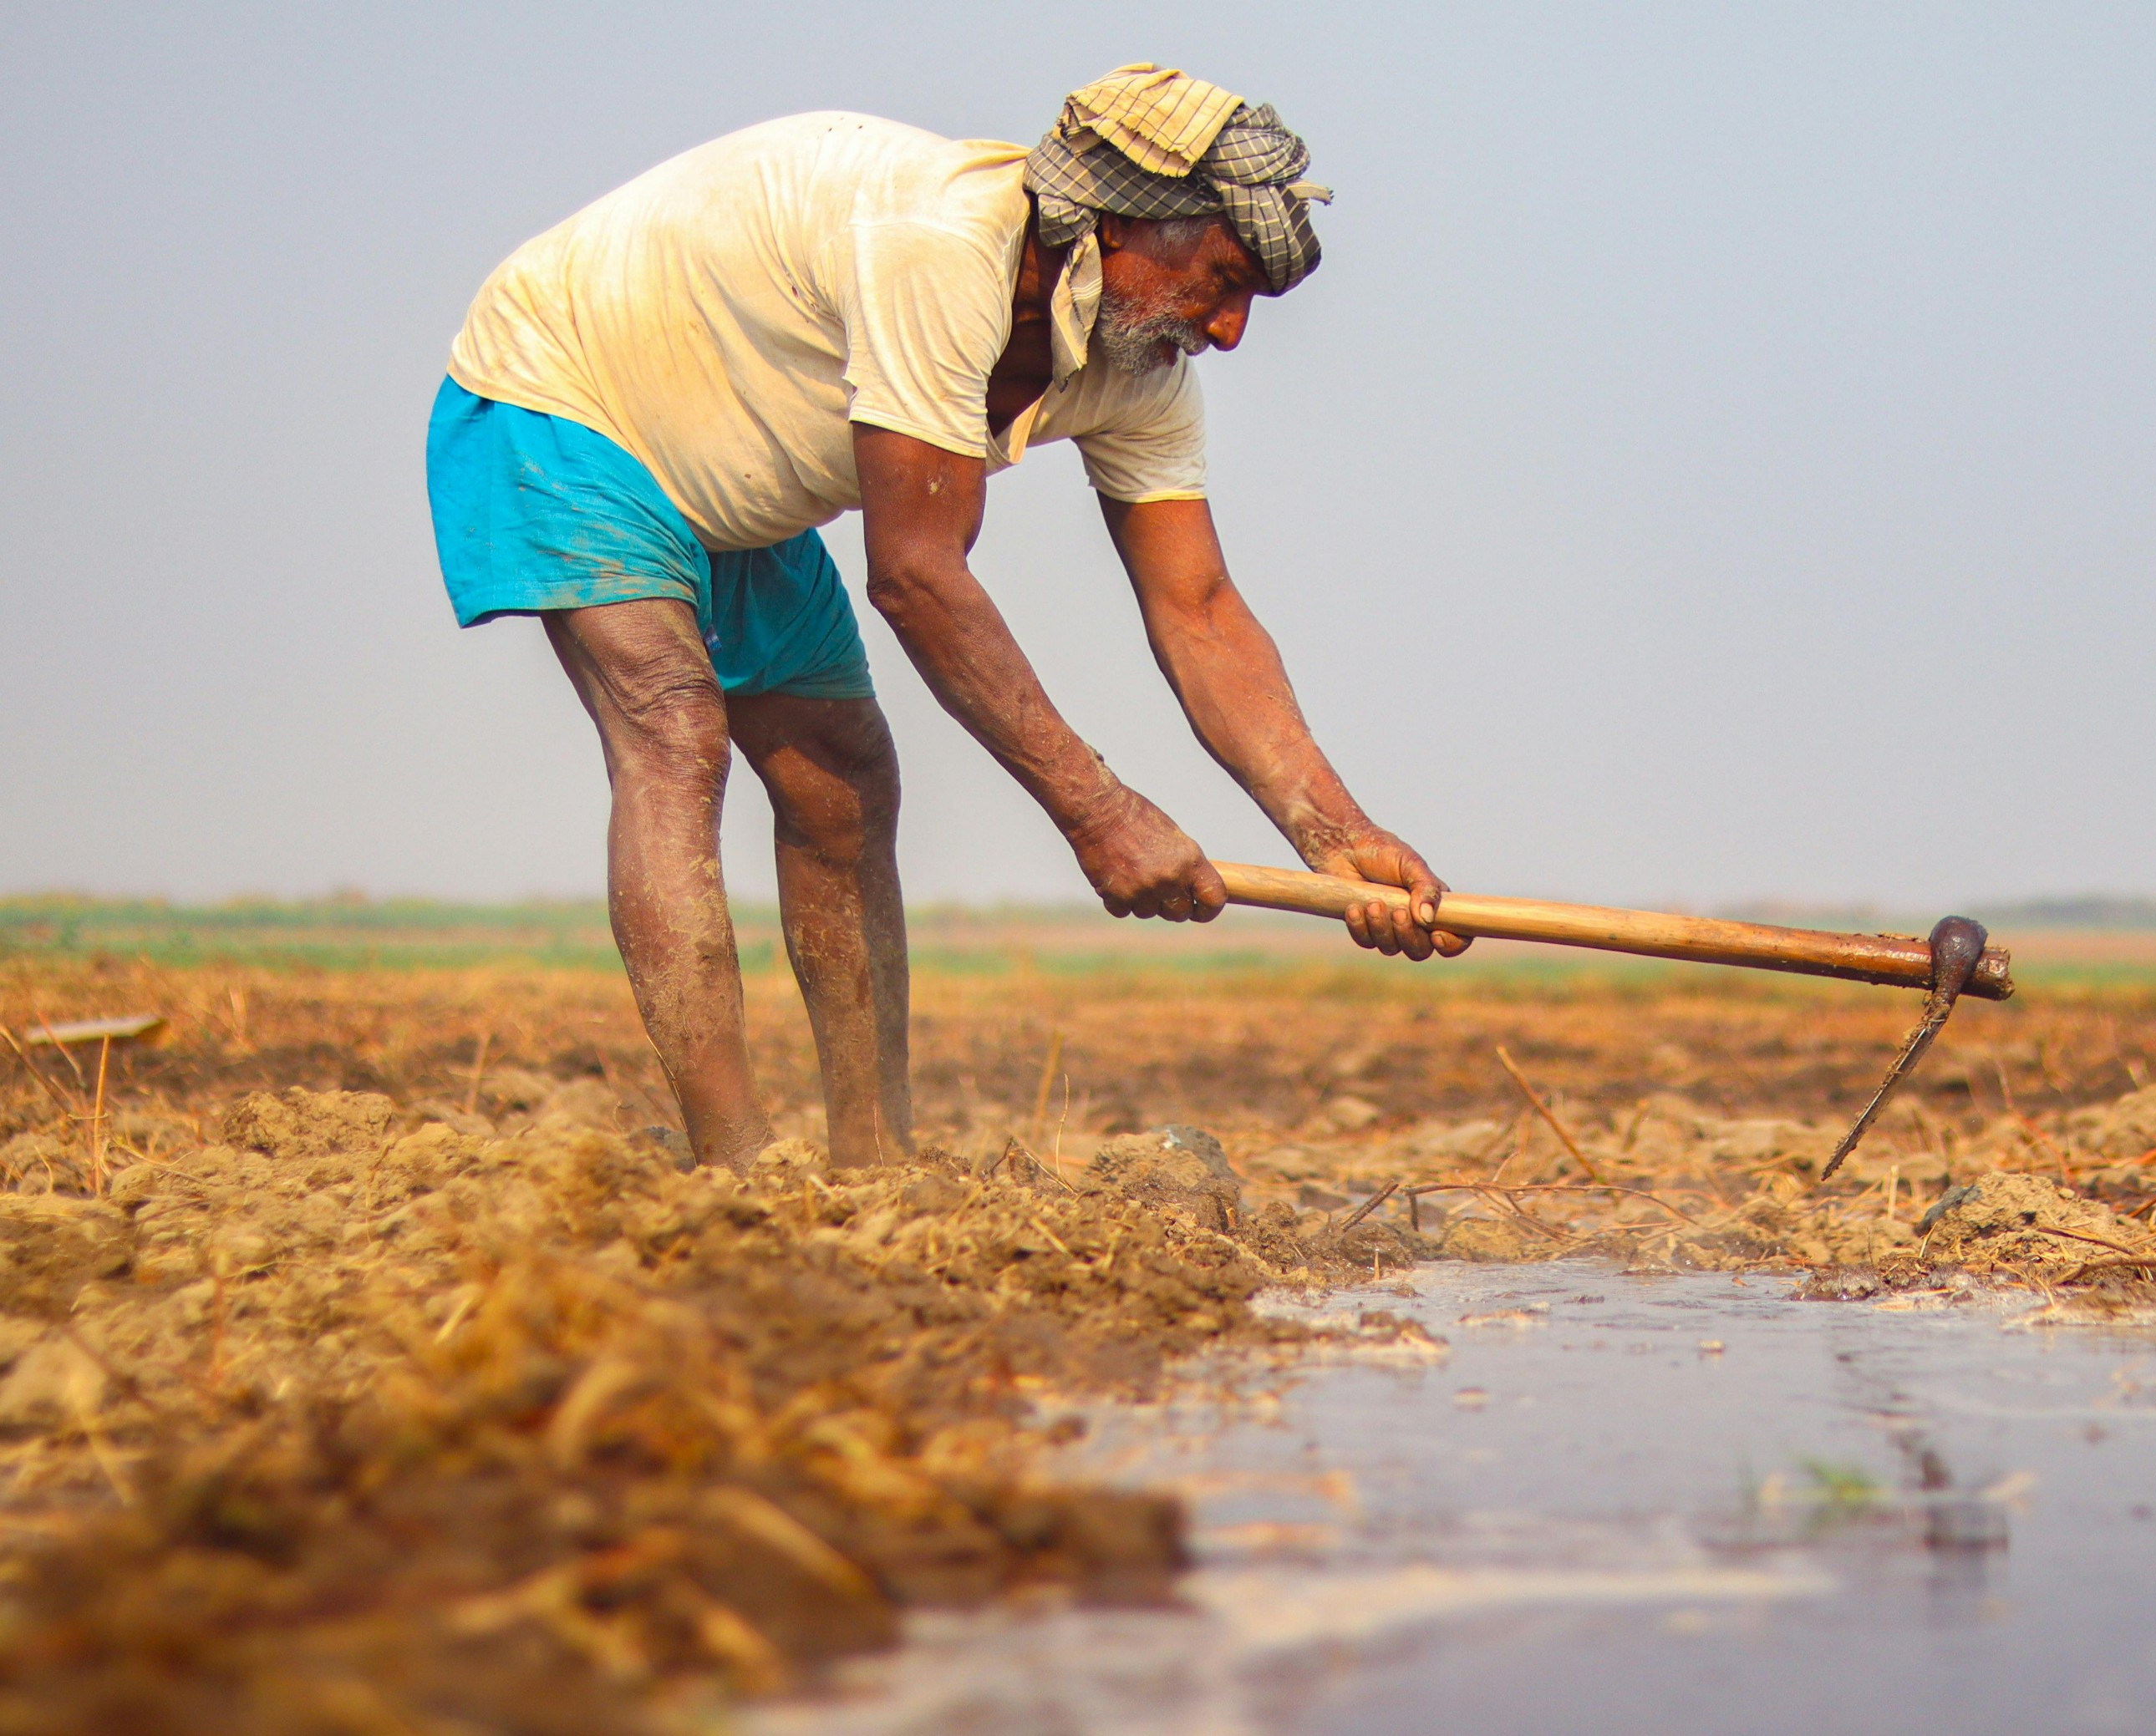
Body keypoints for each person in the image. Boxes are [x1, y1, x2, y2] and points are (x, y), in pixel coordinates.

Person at [426, 65, 1464, 1170]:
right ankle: (732, 1171)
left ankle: (872, 1163)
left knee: (844, 775)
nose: (1230, 328)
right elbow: (917, 575)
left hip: (727, 467)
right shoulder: (938, 251)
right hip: (567, 391)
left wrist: (1335, 835)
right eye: (1220, 278)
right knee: (677, 733)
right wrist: (1098, 810)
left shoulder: (1139, 368)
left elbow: (1198, 608)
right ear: (1114, 224)